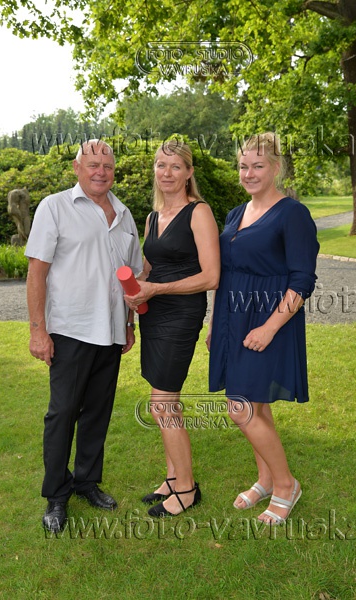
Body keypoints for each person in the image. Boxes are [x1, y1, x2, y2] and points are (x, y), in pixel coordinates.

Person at [25, 140, 143, 533]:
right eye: (92, 165)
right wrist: (38, 331)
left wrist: (129, 324)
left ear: (114, 172)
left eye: (107, 166)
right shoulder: (54, 207)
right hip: (70, 330)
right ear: (77, 168)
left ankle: (87, 482)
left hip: (110, 332)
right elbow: (37, 272)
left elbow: (132, 276)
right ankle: (56, 495)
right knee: (62, 413)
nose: (100, 172)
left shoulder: (124, 214)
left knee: (97, 412)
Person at [207, 132, 319, 525]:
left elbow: (302, 280)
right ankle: (266, 479)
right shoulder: (235, 213)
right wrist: (215, 324)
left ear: (275, 168)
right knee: (254, 403)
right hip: (232, 319)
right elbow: (225, 274)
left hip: (270, 319)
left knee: (239, 407)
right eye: (243, 166)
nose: (249, 173)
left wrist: (270, 327)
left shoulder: (293, 214)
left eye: (257, 165)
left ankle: (287, 485)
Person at [124, 140, 220, 517]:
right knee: (165, 399)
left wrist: (156, 289)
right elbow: (152, 268)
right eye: (161, 165)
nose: (167, 173)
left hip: (181, 313)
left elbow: (211, 276)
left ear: (189, 173)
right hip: (153, 313)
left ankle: (186, 489)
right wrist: (137, 286)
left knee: (161, 403)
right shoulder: (153, 217)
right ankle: (172, 477)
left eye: (175, 166)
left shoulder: (199, 212)